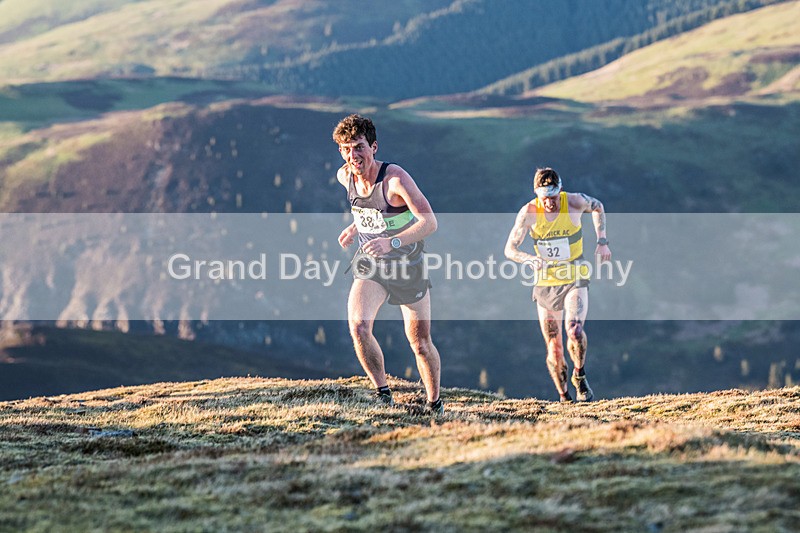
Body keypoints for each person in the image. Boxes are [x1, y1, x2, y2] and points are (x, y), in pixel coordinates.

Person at [332, 114, 443, 414]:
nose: (353, 155)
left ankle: (434, 404)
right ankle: (383, 394)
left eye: (358, 146)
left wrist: (391, 242)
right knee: (358, 326)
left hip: (408, 266)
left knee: (419, 343)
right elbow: (367, 210)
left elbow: (429, 222)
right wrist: (354, 227)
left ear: (374, 147)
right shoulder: (346, 177)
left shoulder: (395, 180)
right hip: (372, 265)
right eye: (346, 148)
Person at [505, 167, 612, 402]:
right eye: (545, 199)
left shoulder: (573, 202)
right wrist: (529, 259)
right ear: (536, 194)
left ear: (560, 191)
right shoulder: (528, 213)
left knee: (574, 330)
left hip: (574, 277)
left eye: (554, 197)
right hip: (545, 283)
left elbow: (598, 206)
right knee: (554, 348)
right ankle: (564, 398)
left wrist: (602, 240)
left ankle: (579, 376)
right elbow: (509, 249)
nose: (550, 203)